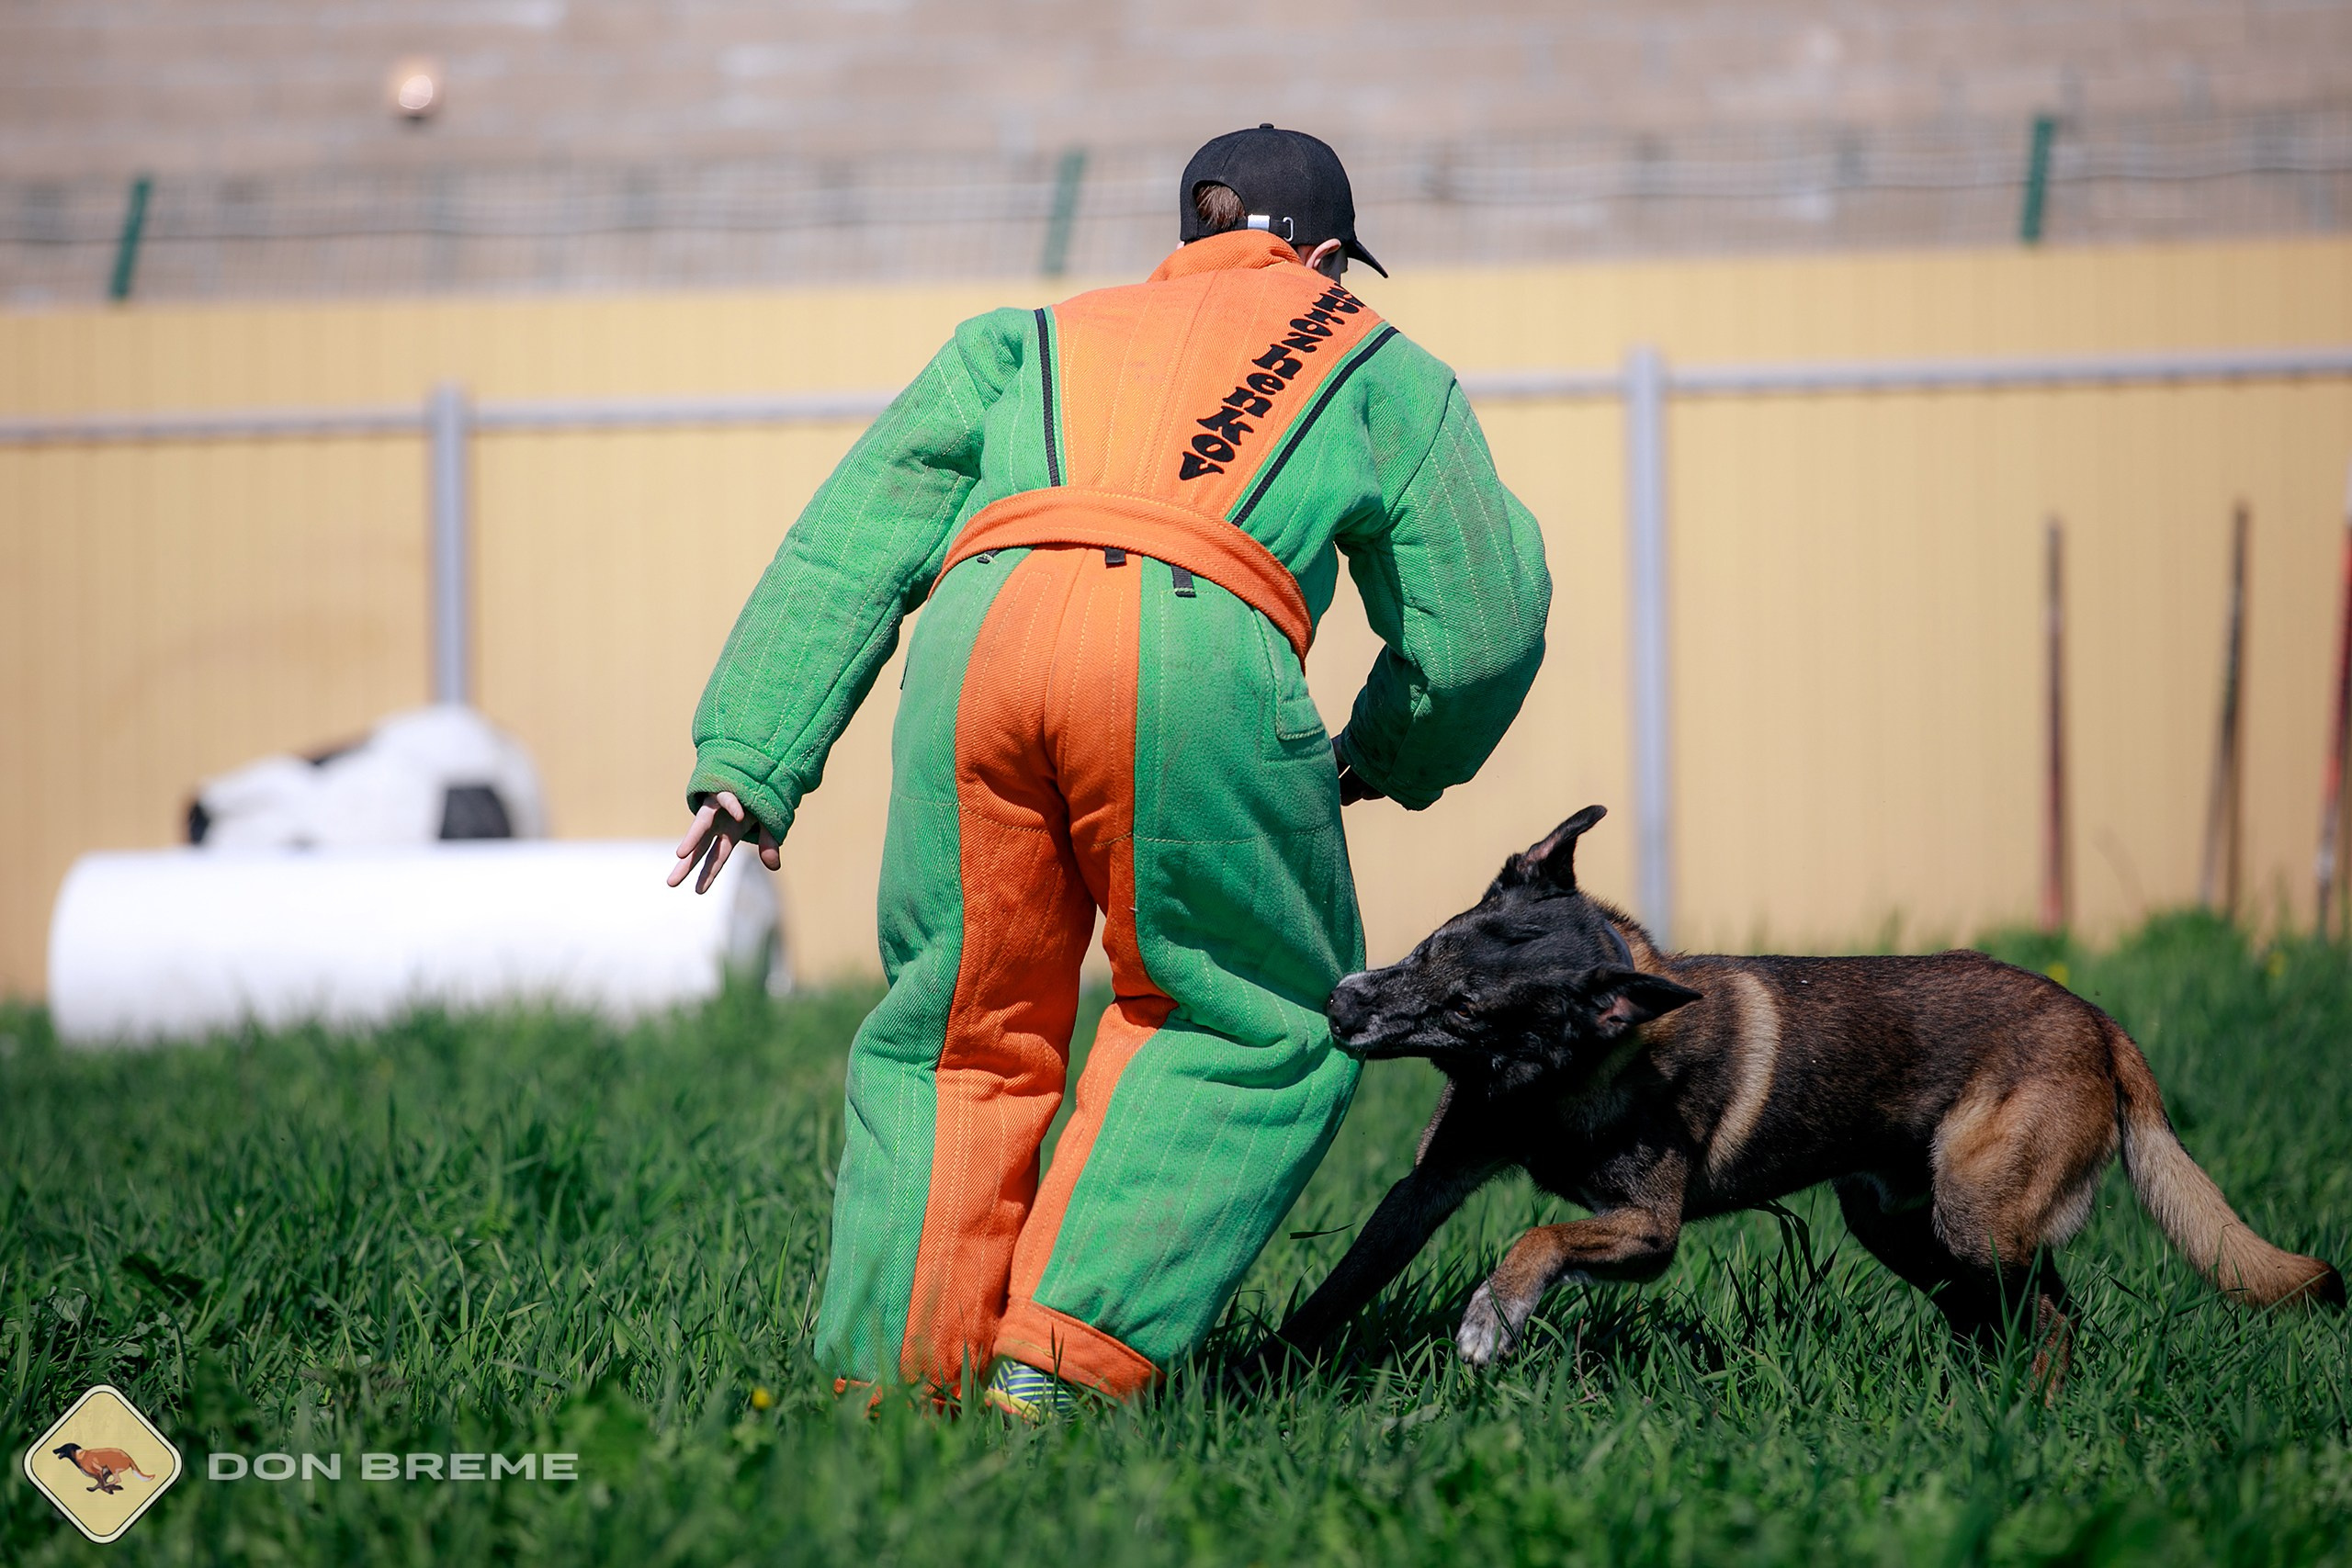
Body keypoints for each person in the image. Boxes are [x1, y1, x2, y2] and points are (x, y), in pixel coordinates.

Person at [670, 125, 1550, 1418]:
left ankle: (888, 1387)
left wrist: (750, 758)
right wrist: (1384, 754)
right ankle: (1061, 1364)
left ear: (1188, 238)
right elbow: (1483, 629)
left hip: (980, 641)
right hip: (1197, 645)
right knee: (1249, 1020)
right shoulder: (1376, 363)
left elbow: (848, 544)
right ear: (1320, 257)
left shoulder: (1023, 339)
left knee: (952, 1031)